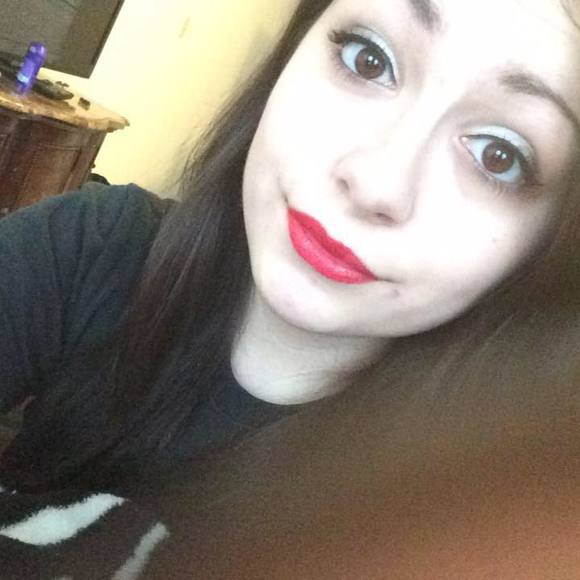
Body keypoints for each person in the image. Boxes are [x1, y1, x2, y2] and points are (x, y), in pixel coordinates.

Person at [0, 0, 579, 500]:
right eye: (368, 58)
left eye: (499, 155)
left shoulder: (480, 511)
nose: (376, 181)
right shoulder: (93, 246)